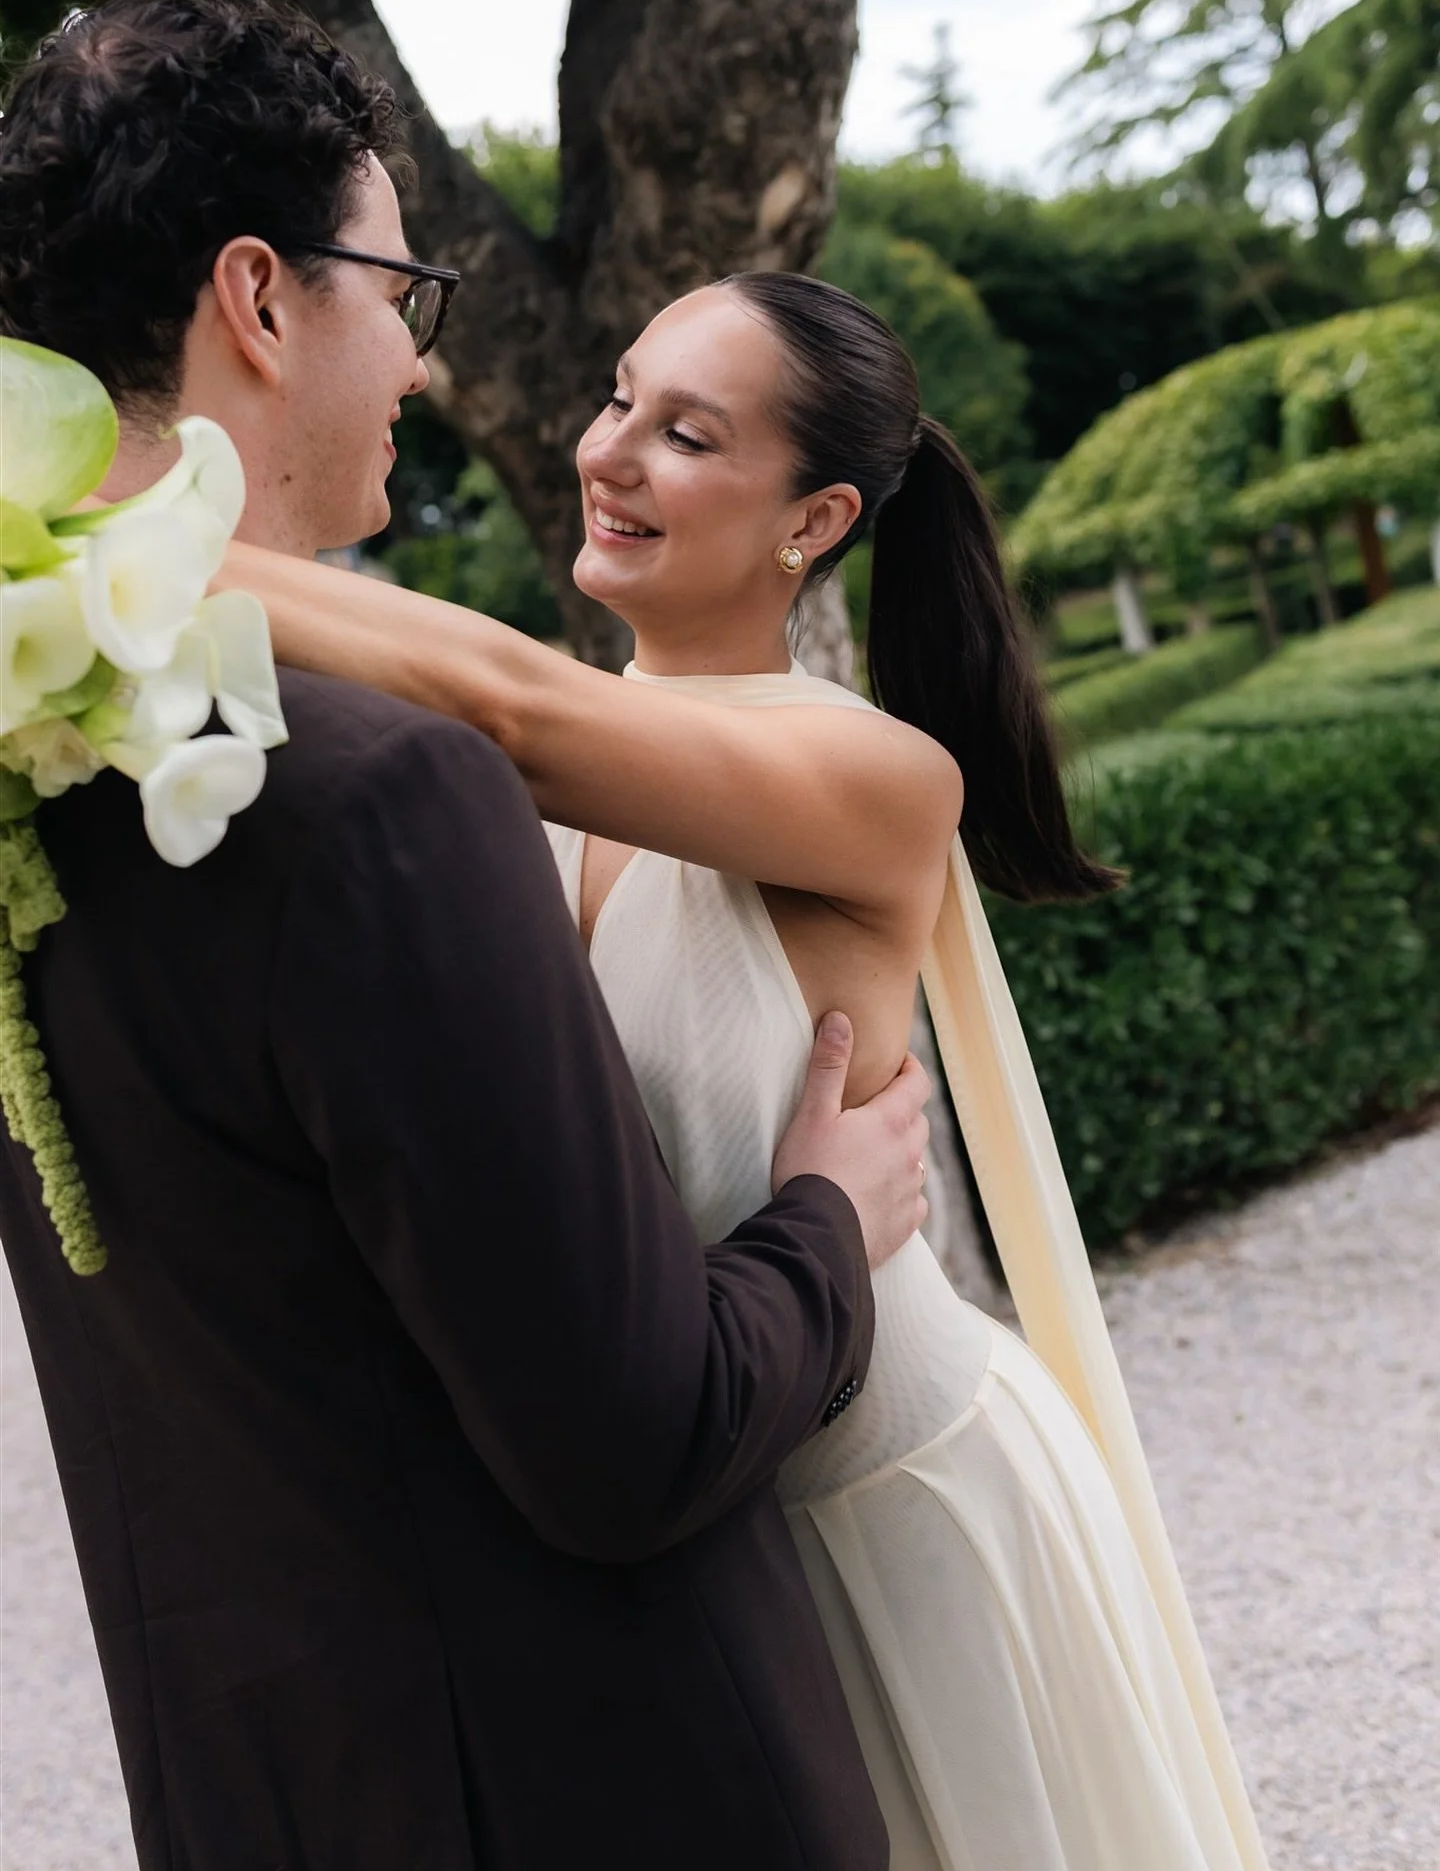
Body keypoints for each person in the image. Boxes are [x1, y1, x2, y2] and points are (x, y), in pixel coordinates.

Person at [0, 0, 940, 1871]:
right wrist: (829, 1215)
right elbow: (634, 1441)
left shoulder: (33, 747)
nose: (423, 369)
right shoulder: (383, 796)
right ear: (263, 301)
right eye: (400, 296)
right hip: (595, 1785)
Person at [228, 265, 1275, 1862]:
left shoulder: (864, 770)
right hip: (696, 1524)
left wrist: (102, 549)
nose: (612, 453)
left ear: (815, 518)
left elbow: (502, 703)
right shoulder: (560, 770)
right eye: (620, 399)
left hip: (899, 1512)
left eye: (689, 435)